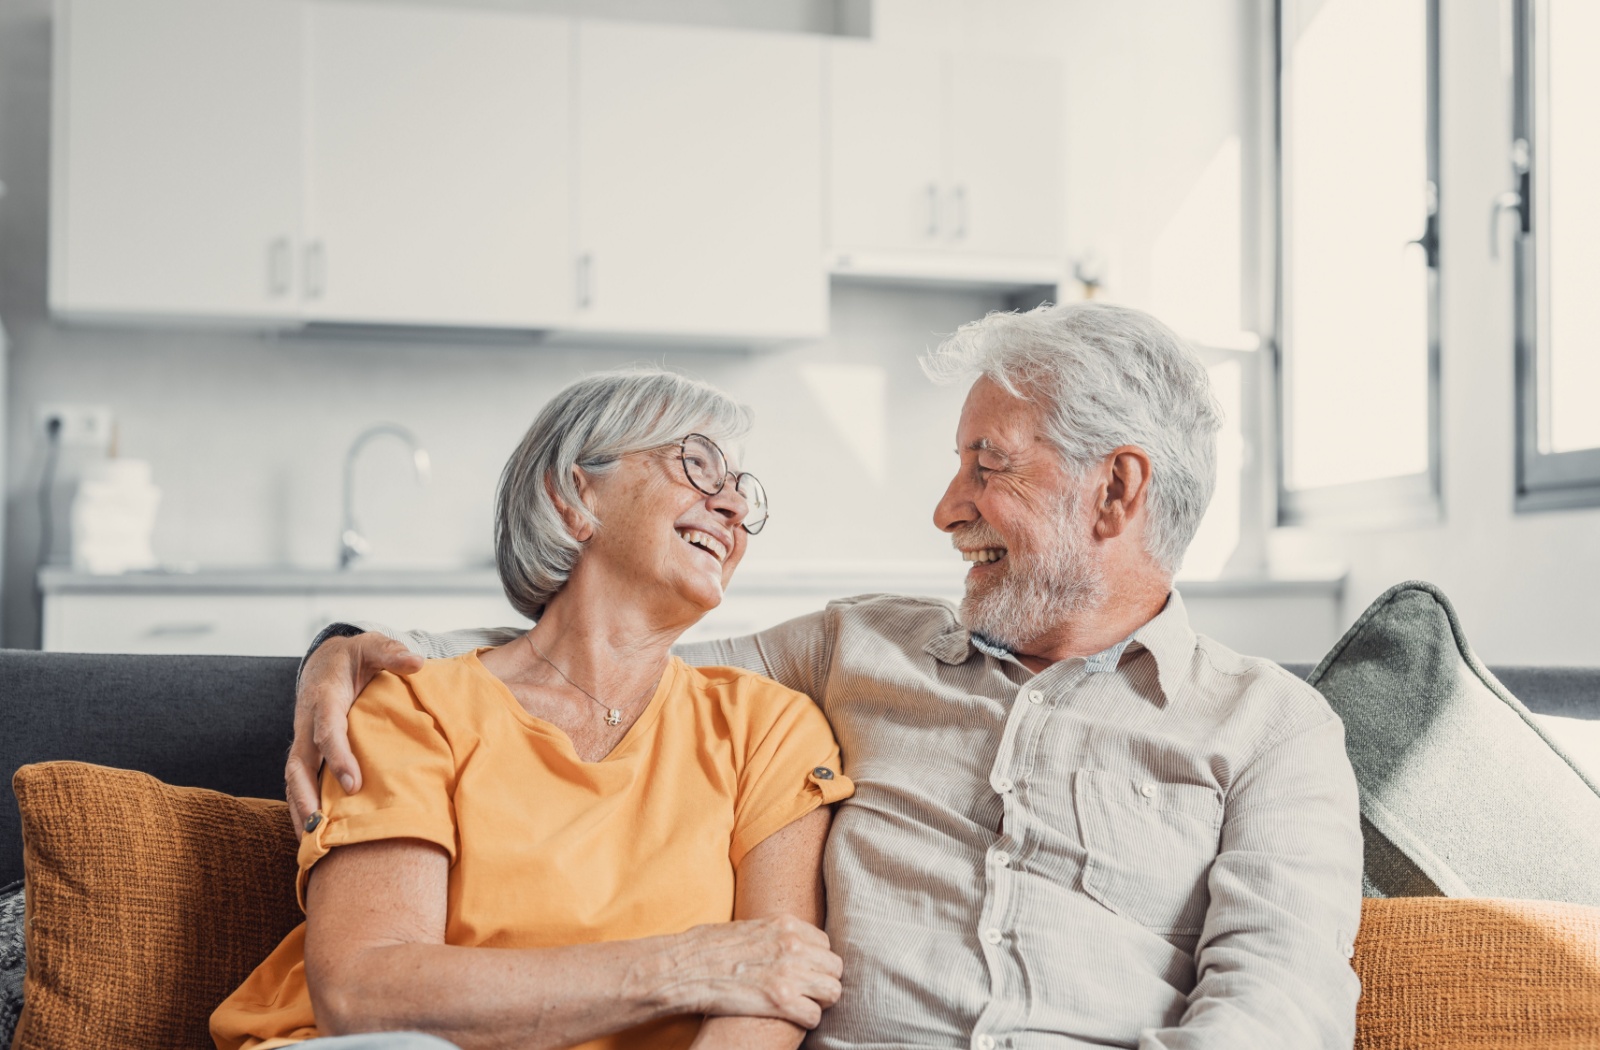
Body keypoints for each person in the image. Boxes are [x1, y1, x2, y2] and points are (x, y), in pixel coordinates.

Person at [290, 302, 1365, 1049]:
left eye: (985, 465)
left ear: (1115, 491)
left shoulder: (1273, 728)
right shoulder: (853, 650)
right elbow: (597, 652)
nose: (945, 510)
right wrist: (352, 647)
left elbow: (1276, 1003)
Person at [214, 370, 854, 1050]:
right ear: (574, 493)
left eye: (742, 493)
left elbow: (776, 988)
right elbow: (364, 998)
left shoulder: (771, 729)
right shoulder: (416, 706)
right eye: (697, 464)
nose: (730, 507)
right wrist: (688, 965)